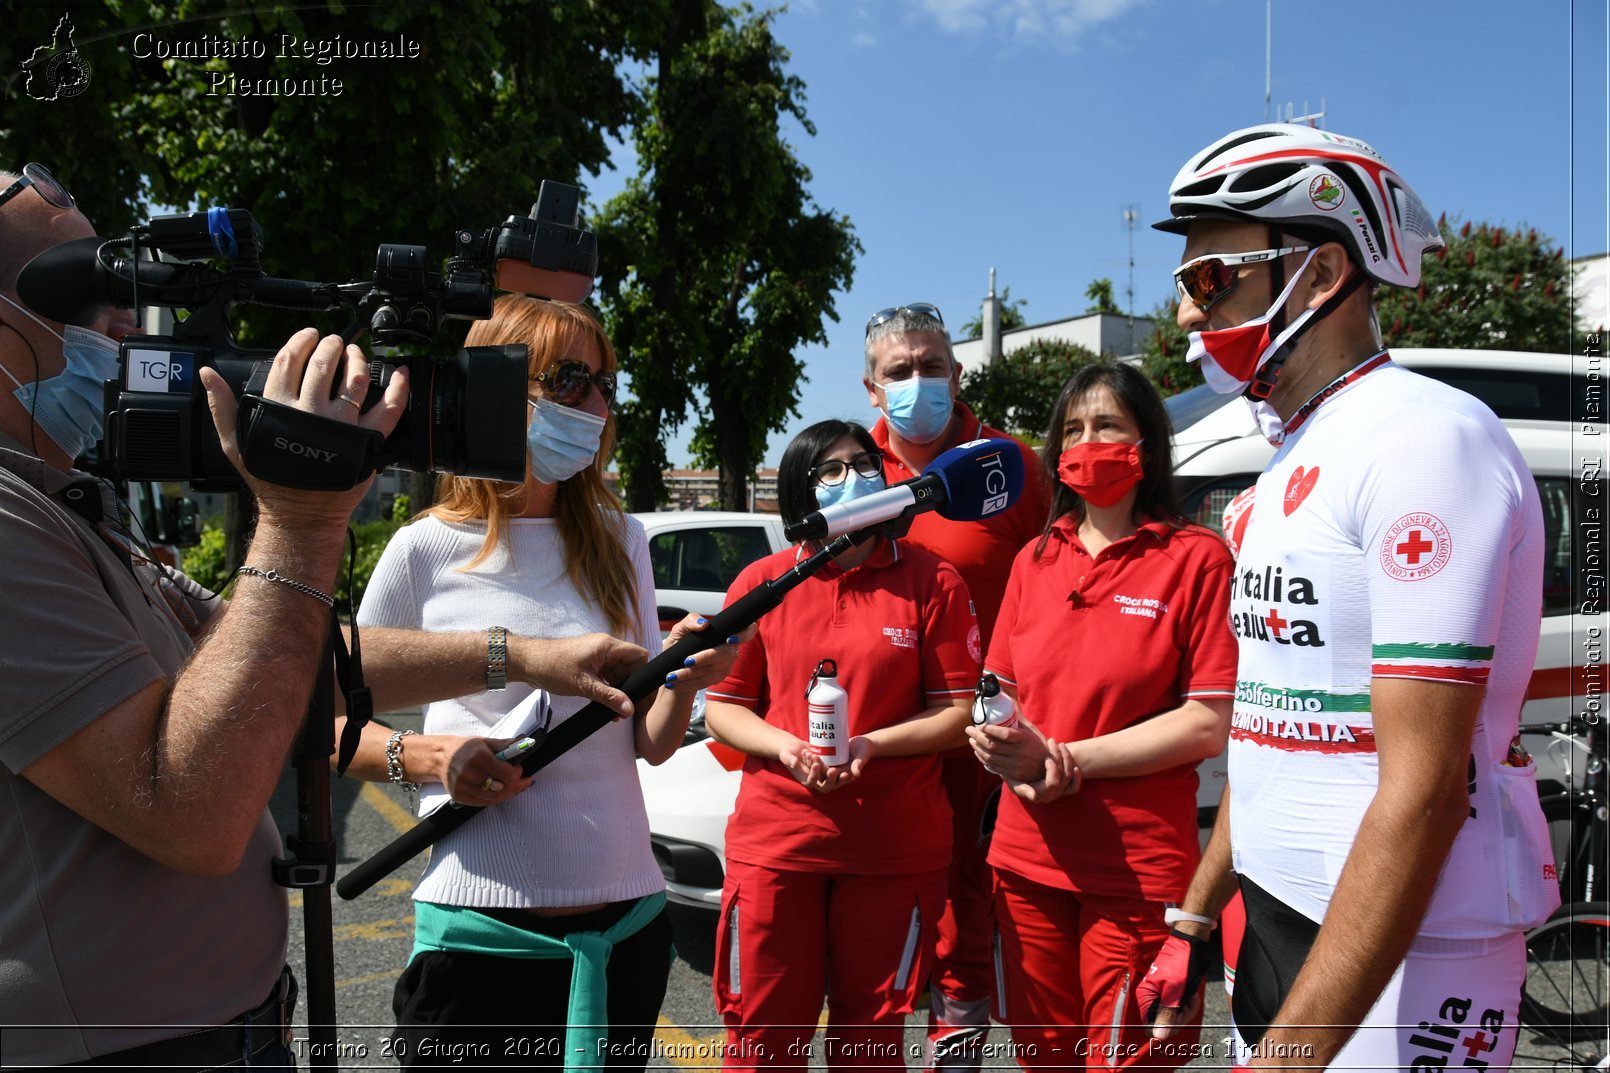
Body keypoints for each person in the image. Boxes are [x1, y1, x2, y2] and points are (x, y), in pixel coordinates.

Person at [0, 164, 656, 1068]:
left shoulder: (67, 510)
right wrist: (303, 521)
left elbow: (290, 655)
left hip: (213, 1031)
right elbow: (192, 811)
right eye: (88, 295)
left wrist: (533, 658)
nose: (121, 328)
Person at [1141, 124, 1558, 1070]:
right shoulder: (1293, 450)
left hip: (1414, 948)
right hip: (1279, 920)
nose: (1186, 315)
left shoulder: (1423, 440)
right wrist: (1197, 917)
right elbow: (1271, 723)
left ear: (1323, 273)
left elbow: (1421, 791)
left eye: (1211, 279)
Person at [333, 295, 743, 1070]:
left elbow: (648, 743)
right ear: (494, 388)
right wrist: (426, 759)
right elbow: (320, 716)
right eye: (567, 381)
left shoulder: (622, 541)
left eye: (602, 385)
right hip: (479, 938)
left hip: (627, 931)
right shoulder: (424, 548)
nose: (593, 405)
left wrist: (686, 677)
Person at [964, 361, 1238, 1070]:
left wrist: (1067, 759)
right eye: (1074, 428)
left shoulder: (1196, 558)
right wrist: (1001, 738)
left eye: (1107, 424)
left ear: (1146, 442)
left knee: (1123, 1060)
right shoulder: (1034, 557)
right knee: (1043, 1058)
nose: (1087, 441)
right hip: (1025, 861)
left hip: (1136, 871)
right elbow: (996, 685)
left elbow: (1207, 720)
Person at [704, 419, 980, 1071]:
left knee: (871, 1047)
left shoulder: (932, 581)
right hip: (778, 844)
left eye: (864, 462)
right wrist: (787, 747)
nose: (853, 476)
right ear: (800, 489)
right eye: (830, 469)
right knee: (761, 1040)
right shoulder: (764, 581)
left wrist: (871, 744)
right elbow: (724, 711)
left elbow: (955, 713)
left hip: (893, 850)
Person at [861, 303, 1050, 1070]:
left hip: (982, 734)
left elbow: (1055, 581)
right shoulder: (848, 471)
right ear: (872, 389)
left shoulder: (1012, 466)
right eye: (899, 372)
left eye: (930, 366)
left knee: (968, 907)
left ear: (957, 373)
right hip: (880, 733)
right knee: (872, 905)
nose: (917, 383)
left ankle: (957, 1056)